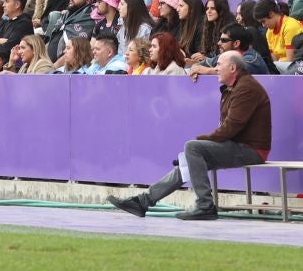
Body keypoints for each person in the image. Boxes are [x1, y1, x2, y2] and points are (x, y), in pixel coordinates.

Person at [112, 51, 270, 220]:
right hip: (239, 145)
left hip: (251, 149)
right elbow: (228, 128)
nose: (216, 69)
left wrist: (201, 140)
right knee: (189, 158)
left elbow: (231, 128)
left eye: (219, 65)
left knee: (192, 148)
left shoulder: (246, 88)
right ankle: (143, 201)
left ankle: (205, 205)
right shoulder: (235, 87)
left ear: (232, 68)